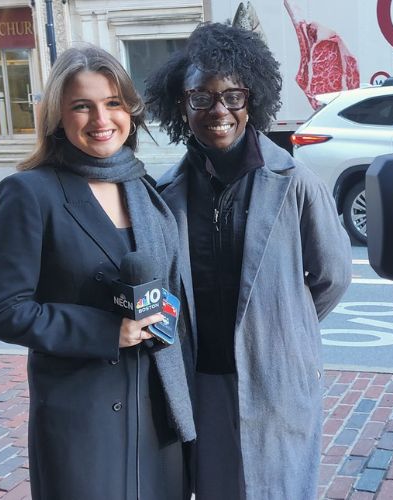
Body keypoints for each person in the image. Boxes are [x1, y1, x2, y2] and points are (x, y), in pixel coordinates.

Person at [144, 23, 351, 499]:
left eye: (232, 96)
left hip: (274, 375)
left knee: (278, 488)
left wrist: (281, 326)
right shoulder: (166, 194)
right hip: (201, 380)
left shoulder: (295, 182)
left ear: (251, 100)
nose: (219, 110)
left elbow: (333, 276)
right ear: (182, 105)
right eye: (201, 97)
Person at [0, 45, 195, 499]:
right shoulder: (29, 192)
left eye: (113, 103)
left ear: (130, 112)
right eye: (82, 105)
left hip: (158, 415)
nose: (101, 119)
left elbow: (172, 293)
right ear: (58, 115)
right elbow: (2, 310)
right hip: (82, 422)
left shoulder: (146, 191)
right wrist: (105, 330)